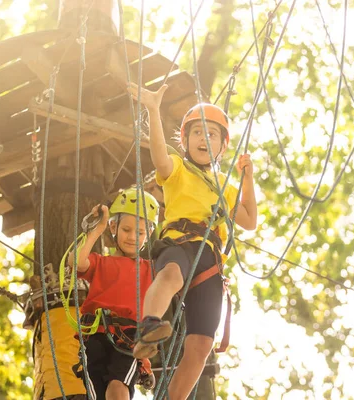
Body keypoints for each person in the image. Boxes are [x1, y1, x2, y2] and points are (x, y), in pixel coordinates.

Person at [127, 83, 258, 400]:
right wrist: (153, 110)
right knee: (169, 275)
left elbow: (249, 220)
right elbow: (159, 155)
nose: (204, 139)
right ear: (184, 141)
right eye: (197, 133)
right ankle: (149, 326)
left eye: (212, 134)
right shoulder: (178, 170)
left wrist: (247, 178)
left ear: (222, 146)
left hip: (210, 263)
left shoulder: (225, 189)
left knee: (201, 344)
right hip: (179, 245)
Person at [67, 188, 160, 400]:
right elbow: (76, 261)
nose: (133, 237)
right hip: (95, 337)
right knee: (99, 395)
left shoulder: (151, 269)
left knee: (118, 389)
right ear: (114, 227)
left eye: (140, 232)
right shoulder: (101, 262)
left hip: (129, 338)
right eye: (126, 229)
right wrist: (98, 227)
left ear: (148, 235)